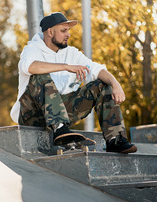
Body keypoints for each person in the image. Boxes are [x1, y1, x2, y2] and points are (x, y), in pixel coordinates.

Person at [10, 12, 137, 153]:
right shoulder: (32, 49)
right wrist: (65, 66)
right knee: (39, 76)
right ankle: (59, 128)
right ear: (50, 32)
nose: (68, 34)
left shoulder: (72, 53)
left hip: (62, 113)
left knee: (101, 84)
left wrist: (115, 84)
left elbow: (96, 69)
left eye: (68, 31)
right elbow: (30, 67)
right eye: (63, 31)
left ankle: (115, 139)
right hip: (31, 115)